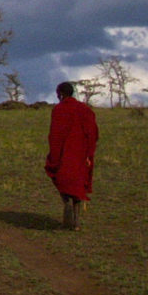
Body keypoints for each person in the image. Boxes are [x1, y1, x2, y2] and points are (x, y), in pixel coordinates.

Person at [45, 80, 98, 230]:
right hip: (80, 154)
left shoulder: (59, 110)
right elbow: (93, 133)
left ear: (61, 94)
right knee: (77, 185)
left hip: (64, 154)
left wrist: (54, 155)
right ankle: (76, 222)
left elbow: (54, 135)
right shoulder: (84, 109)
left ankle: (67, 210)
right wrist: (89, 154)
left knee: (63, 181)